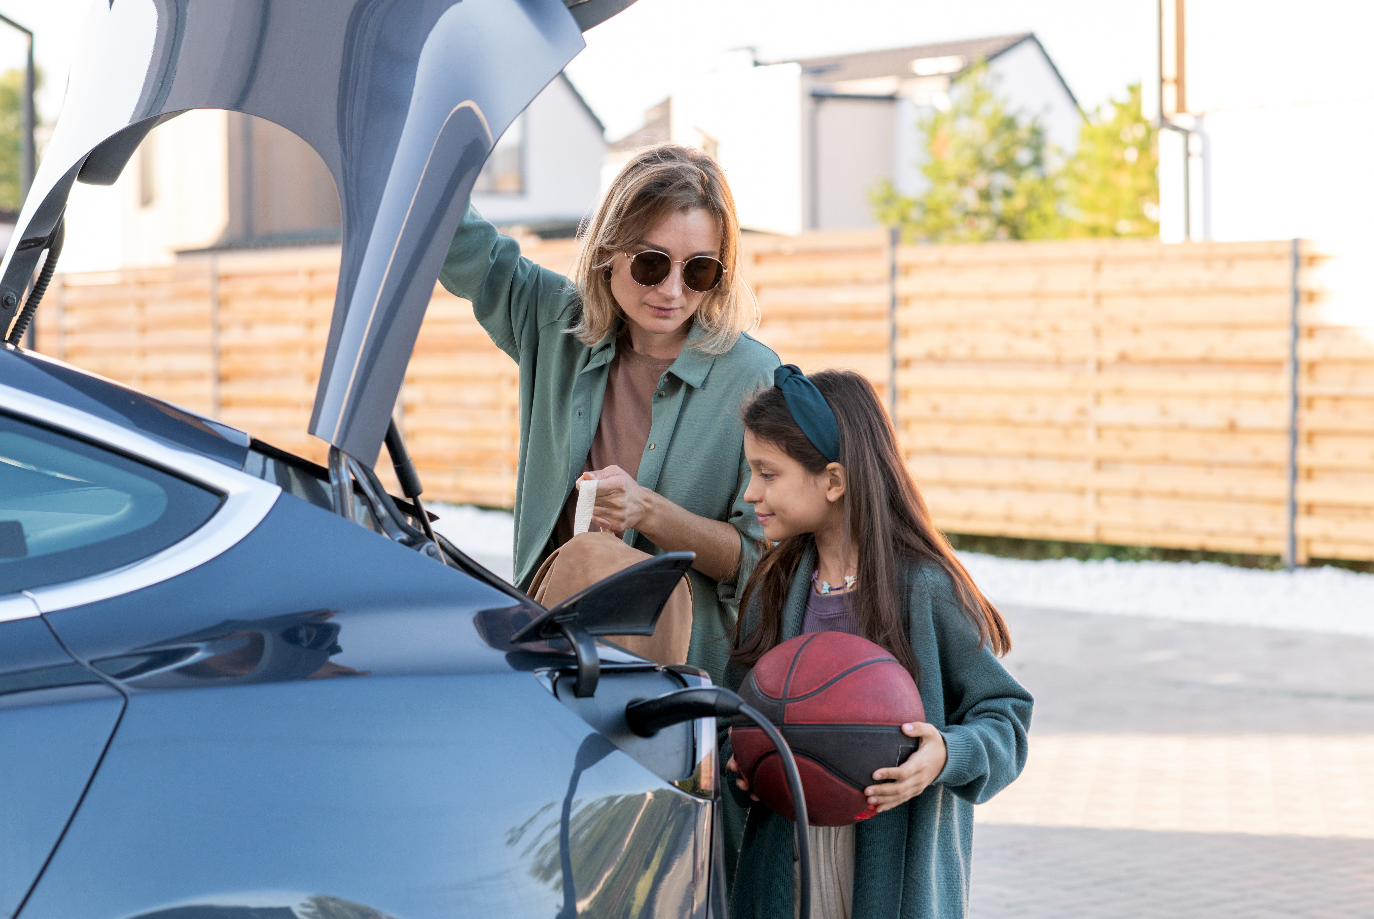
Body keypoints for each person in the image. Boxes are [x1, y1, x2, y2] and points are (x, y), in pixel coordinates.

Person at [438, 143, 779, 684]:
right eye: (650, 263)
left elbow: (761, 562)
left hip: (674, 677)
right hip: (548, 649)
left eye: (700, 271)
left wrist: (651, 514)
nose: (672, 290)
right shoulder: (555, 323)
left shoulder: (753, 379)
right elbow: (456, 240)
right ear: (608, 249)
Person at [724, 366, 1033, 919]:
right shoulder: (774, 586)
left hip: (889, 879)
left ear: (834, 481)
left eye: (767, 473)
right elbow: (736, 714)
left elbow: (1006, 717)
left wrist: (946, 753)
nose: (751, 493)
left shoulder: (925, 588)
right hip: (788, 865)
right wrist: (744, 762)